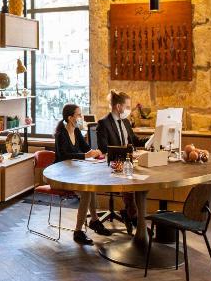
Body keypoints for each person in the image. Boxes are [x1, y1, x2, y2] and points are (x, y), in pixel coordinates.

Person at [54, 104, 112, 245]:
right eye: (79, 115)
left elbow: (86, 149)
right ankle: (78, 231)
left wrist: (97, 152)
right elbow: (63, 156)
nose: (81, 117)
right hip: (61, 175)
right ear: (70, 118)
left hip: (74, 172)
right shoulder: (61, 134)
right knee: (86, 192)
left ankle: (94, 221)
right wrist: (85, 156)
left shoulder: (77, 131)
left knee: (90, 186)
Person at [96, 89, 148, 235]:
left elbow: (135, 140)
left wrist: (151, 139)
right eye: (127, 106)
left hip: (128, 162)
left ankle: (131, 214)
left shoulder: (125, 122)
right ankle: (133, 216)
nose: (129, 110)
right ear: (118, 106)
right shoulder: (103, 123)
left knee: (143, 179)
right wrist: (126, 152)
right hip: (113, 165)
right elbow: (103, 148)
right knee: (130, 181)